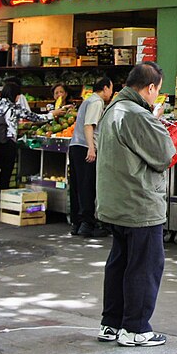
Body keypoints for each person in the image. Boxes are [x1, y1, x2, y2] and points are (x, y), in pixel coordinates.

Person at [95, 61, 174, 347]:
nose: (156, 97)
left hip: (114, 202)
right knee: (144, 265)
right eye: (157, 91)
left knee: (120, 262)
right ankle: (137, 329)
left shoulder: (113, 109)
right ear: (150, 87)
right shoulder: (137, 114)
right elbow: (164, 154)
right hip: (138, 203)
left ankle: (112, 323)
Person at [0, 79, 55, 222]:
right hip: (8, 145)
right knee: (4, 179)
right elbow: (35, 117)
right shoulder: (14, 107)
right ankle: (1, 210)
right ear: (15, 96)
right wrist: (53, 114)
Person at [69, 77, 114, 238]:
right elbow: (89, 125)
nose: (111, 93)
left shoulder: (87, 101)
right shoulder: (97, 102)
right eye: (111, 89)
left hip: (75, 145)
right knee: (87, 186)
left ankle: (77, 223)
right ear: (105, 88)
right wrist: (91, 148)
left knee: (77, 186)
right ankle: (87, 223)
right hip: (85, 148)